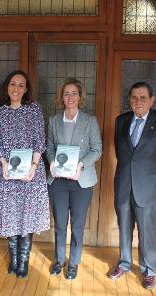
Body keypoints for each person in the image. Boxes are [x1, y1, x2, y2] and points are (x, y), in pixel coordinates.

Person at [107, 81, 156, 289]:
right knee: (124, 228)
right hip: (124, 185)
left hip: (150, 189)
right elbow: (122, 153)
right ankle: (124, 264)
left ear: (151, 100)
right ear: (129, 100)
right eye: (134, 98)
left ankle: (149, 270)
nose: (138, 102)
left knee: (148, 232)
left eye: (143, 98)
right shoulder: (121, 120)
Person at [0, 70, 50, 278]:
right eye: (13, 84)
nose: (16, 89)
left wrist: (33, 166)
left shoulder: (33, 110)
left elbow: (39, 140)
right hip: (7, 173)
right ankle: (13, 257)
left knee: (27, 216)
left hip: (31, 174)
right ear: (7, 87)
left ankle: (23, 260)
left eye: (21, 85)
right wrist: (3, 162)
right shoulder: (0, 113)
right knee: (10, 216)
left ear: (26, 89)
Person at [46, 78, 102, 279]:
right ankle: (60, 260)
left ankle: (74, 263)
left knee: (78, 225)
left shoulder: (90, 121)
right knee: (60, 223)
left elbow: (97, 149)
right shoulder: (53, 120)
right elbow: (50, 146)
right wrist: (52, 162)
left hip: (81, 181)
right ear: (62, 97)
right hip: (59, 181)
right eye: (66, 93)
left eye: (74, 93)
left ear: (80, 97)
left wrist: (80, 165)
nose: (70, 97)